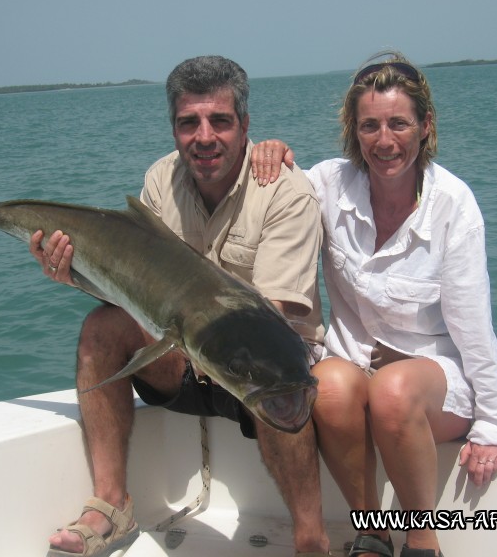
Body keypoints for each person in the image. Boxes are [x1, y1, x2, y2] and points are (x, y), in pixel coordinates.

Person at [31, 55, 331, 557]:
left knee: (276, 380)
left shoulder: (286, 192)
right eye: (188, 122)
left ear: (245, 126)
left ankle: (310, 540)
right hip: (182, 356)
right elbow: (135, 289)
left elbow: (274, 315)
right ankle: (111, 505)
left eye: (220, 120)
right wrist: (75, 275)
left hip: (256, 360)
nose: (204, 136)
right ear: (173, 128)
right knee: (103, 327)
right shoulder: (160, 180)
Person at [251, 51, 497, 557]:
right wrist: (271, 151)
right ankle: (371, 531)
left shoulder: (453, 205)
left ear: (425, 125)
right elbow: (274, 205)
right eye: (369, 125)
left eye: (399, 123)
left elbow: (473, 327)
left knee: (394, 391)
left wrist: (495, 425)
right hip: (354, 366)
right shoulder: (329, 183)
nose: (385, 140)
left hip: (436, 380)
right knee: (326, 387)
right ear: (353, 131)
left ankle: (422, 543)